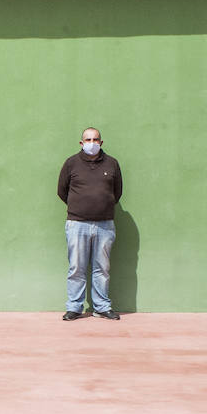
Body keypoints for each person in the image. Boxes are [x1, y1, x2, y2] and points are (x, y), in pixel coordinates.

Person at [58, 127, 122, 320]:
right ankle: (74, 307)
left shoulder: (112, 164)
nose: (91, 143)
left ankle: (101, 306)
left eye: (95, 140)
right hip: (77, 224)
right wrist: (80, 206)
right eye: (88, 140)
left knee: (102, 268)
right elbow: (62, 191)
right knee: (76, 267)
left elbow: (117, 192)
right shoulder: (71, 163)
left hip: (105, 225)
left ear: (101, 142)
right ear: (81, 143)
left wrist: (103, 205)